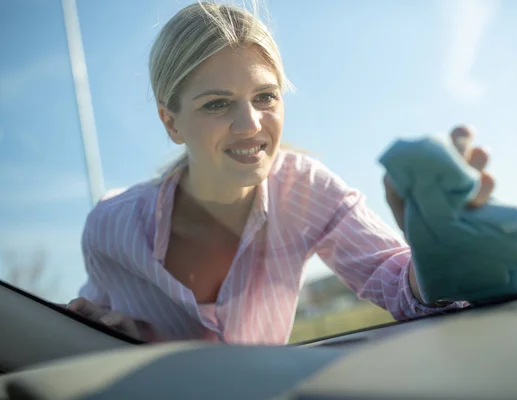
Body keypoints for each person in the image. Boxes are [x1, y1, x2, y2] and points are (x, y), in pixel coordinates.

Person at [66, 2, 495, 344]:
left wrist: (435, 252)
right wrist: (104, 338)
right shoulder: (109, 228)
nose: (251, 124)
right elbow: (89, 322)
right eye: (216, 103)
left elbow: (401, 287)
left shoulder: (306, 188)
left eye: (265, 96)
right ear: (171, 122)